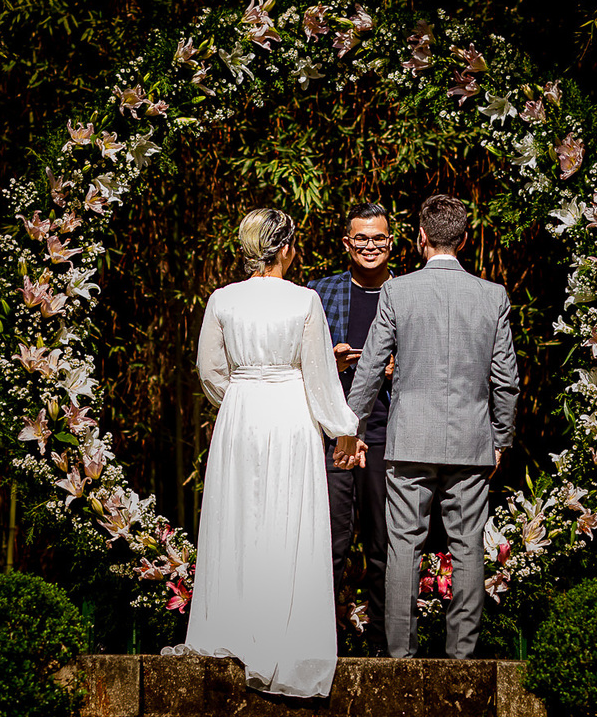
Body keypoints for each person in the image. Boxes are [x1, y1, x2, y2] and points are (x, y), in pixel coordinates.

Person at [184, 207, 358, 698]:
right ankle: (285, 636)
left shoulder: (222, 300)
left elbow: (210, 370)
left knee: (238, 517)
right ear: (285, 248)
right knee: (288, 519)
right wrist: (343, 427)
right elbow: (321, 376)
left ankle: (235, 626)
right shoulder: (304, 301)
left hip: (240, 415)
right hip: (289, 414)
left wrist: (241, 396)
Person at [336, 194, 519, 660]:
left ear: (420, 237)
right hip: (471, 442)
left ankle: (400, 656)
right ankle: (461, 658)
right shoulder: (492, 295)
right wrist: (501, 439)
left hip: (408, 441)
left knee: (403, 547)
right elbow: (506, 381)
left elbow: (372, 367)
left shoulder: (399, 291)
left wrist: (350, 428)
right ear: (462, 239)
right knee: (467, 549)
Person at [306, 202, 394, 654]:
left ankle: (383, 644)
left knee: (385, 544)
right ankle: (324, 642)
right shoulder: (317, 294)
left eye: (378, 237)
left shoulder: (408, 292)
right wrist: (329, 362)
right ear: (346, 243)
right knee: (331, 543)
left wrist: (402, 369)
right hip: (334, 436)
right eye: (361, 238)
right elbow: (295, 362)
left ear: (392, 241)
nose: (370, 246)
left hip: (387, 436)